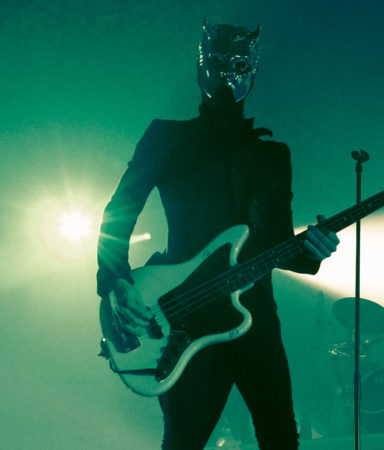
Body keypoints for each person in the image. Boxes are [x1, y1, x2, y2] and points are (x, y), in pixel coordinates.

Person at [96, 20, 339, 449]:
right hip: (180, 312)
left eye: (239, 64)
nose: (228, 74)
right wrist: (117, 280)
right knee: (184, 442)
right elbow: (119, 212)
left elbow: (276, 242)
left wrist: (313, 251)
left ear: (253, 72)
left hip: (254, 313)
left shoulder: (272, 156)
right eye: (218, 61)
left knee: (281, 439)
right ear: (200, 66)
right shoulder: (168, 137)